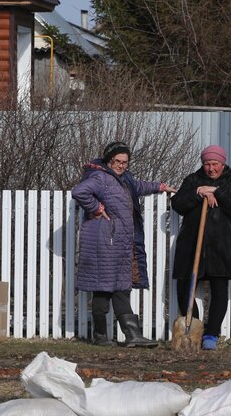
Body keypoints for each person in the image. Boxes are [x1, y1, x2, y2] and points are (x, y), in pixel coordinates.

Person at [72, 141, 175, 347]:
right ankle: (111, 336)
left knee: (119, 285)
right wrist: (97, 208)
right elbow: (79, 191)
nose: (121, 165)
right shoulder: (100, 177)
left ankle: (124, 335)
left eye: (124, 162)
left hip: (118, 241)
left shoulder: (122, 180)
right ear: (109, 160)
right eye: (117, 161)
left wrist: (161, 187)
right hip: (104, 241)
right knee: (105, 288)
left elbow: (138, 186)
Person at [171, 145, 231, 351]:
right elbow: (177, 204)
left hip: (221, 245)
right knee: (184, 289)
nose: (211, 168)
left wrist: (217, 192)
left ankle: (211, 335)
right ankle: (193, 328)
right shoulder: (192, 180)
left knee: (219, 290)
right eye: (207, 164)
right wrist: (198, 193)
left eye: (215, 164)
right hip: (191, 245)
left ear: (223, 163)